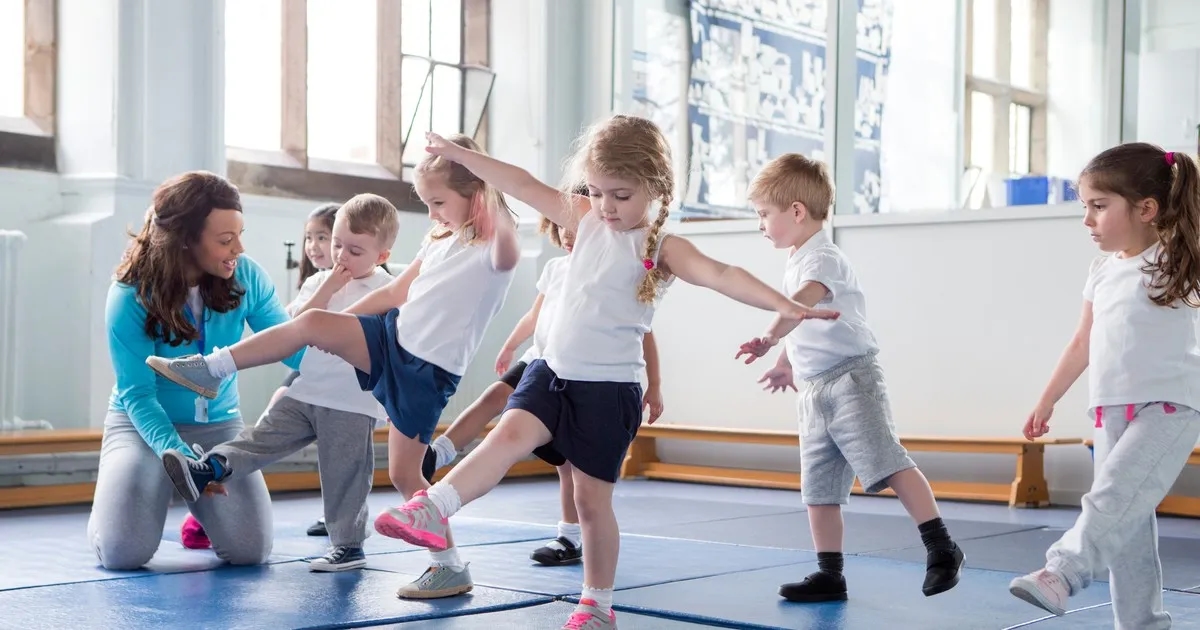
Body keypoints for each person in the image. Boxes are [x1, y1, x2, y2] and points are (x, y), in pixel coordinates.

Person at [372, 116, 839, 629]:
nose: (605, 207)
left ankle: (596, 604)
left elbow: (723, 275)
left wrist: (785, 306)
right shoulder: (585, 219)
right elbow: (522, 185)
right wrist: (462, 159)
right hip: (550, 374)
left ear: (654, 188)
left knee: (591, 504)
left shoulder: (662, 248)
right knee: (504, 437)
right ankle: (434, 506)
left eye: (619, 195)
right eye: (595, 192)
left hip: (609, 390)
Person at [144, 134, 520, 599]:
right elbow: (393, 295)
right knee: (313, 323)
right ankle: (210, 369)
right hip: (390, 340)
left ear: (477, 194)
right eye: (427, 203)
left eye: (438, 202)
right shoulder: (439, 237)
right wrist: (333, 326)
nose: (433, 213)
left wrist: (475, 167)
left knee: (405, 475)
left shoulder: (496, 249)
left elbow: (502, 233)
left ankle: (449, 566)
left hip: (426, 370)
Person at [735, 153, 963, 603]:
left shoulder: (825, 258)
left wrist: (767, 336)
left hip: (851, 381)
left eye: (764, 214)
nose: (760, 224)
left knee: (888, 461)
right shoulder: (799, 257)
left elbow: (799, 305)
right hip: (815, 388)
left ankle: (942, 547)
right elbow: (805, 320)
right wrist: (784, 361)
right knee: (818, 489)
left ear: (796, 211)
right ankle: (830, 574)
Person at [1007, 143, 1200, 629]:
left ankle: (1063, 572)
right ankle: (1142, 625)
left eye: (1099, 206)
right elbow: (1081, 342)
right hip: (1110, 408)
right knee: (1127, 528)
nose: (1087, 219)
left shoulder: (1178, 259)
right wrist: (1047, 399)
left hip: (1170, 405)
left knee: (1111, 500)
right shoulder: (1103, 269)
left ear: (1146, 209)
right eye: (1084, 207)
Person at [158, 195, 398, 572]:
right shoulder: (319, 281)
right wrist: (330, 285)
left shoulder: (387, 291)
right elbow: (295, 326)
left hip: (352, 400)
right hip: (307, 390)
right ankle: (206, 469)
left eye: (354, 250)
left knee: (344, 473)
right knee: (261, 436)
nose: (341, 256)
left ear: (381, 256)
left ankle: (349, 545)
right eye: (336, 245)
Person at [420, 214, 664, 568]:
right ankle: (439, 453)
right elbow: (534, 316)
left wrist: (654, 386)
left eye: (576, 229)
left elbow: (645, 335)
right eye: (563, 227)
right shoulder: (555, 268)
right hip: (540, 362)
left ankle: (569, 536)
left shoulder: (612, 275)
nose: (567, 235)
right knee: (493, 398)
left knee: (569, 466)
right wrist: (509, 346)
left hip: (582, 376)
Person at [89, 171, 300, 570]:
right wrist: (185, 462)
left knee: (250, 551)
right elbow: (137, 394)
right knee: (123, 553)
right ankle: (117, 508)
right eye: (225, 240)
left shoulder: (247, 275)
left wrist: (353, 366)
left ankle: (201, 514)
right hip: (142, 424)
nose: (239, 247)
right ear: (185, 238)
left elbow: (290, 346)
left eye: (239, 234)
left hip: (219, 426)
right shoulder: (129, 295)